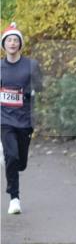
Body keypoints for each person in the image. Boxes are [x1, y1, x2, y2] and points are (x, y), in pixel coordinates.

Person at [1, 22, 43, 215]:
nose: (12, 43)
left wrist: (30, 92)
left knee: (21, 162)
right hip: (4, 119)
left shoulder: (30, 65)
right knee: (12, 156)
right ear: (4, 45)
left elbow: (41, 87)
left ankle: (11, 162)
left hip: (25, 120)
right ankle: (14, 198)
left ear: (20, 44)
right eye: (8, 40)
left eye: (15, 40)